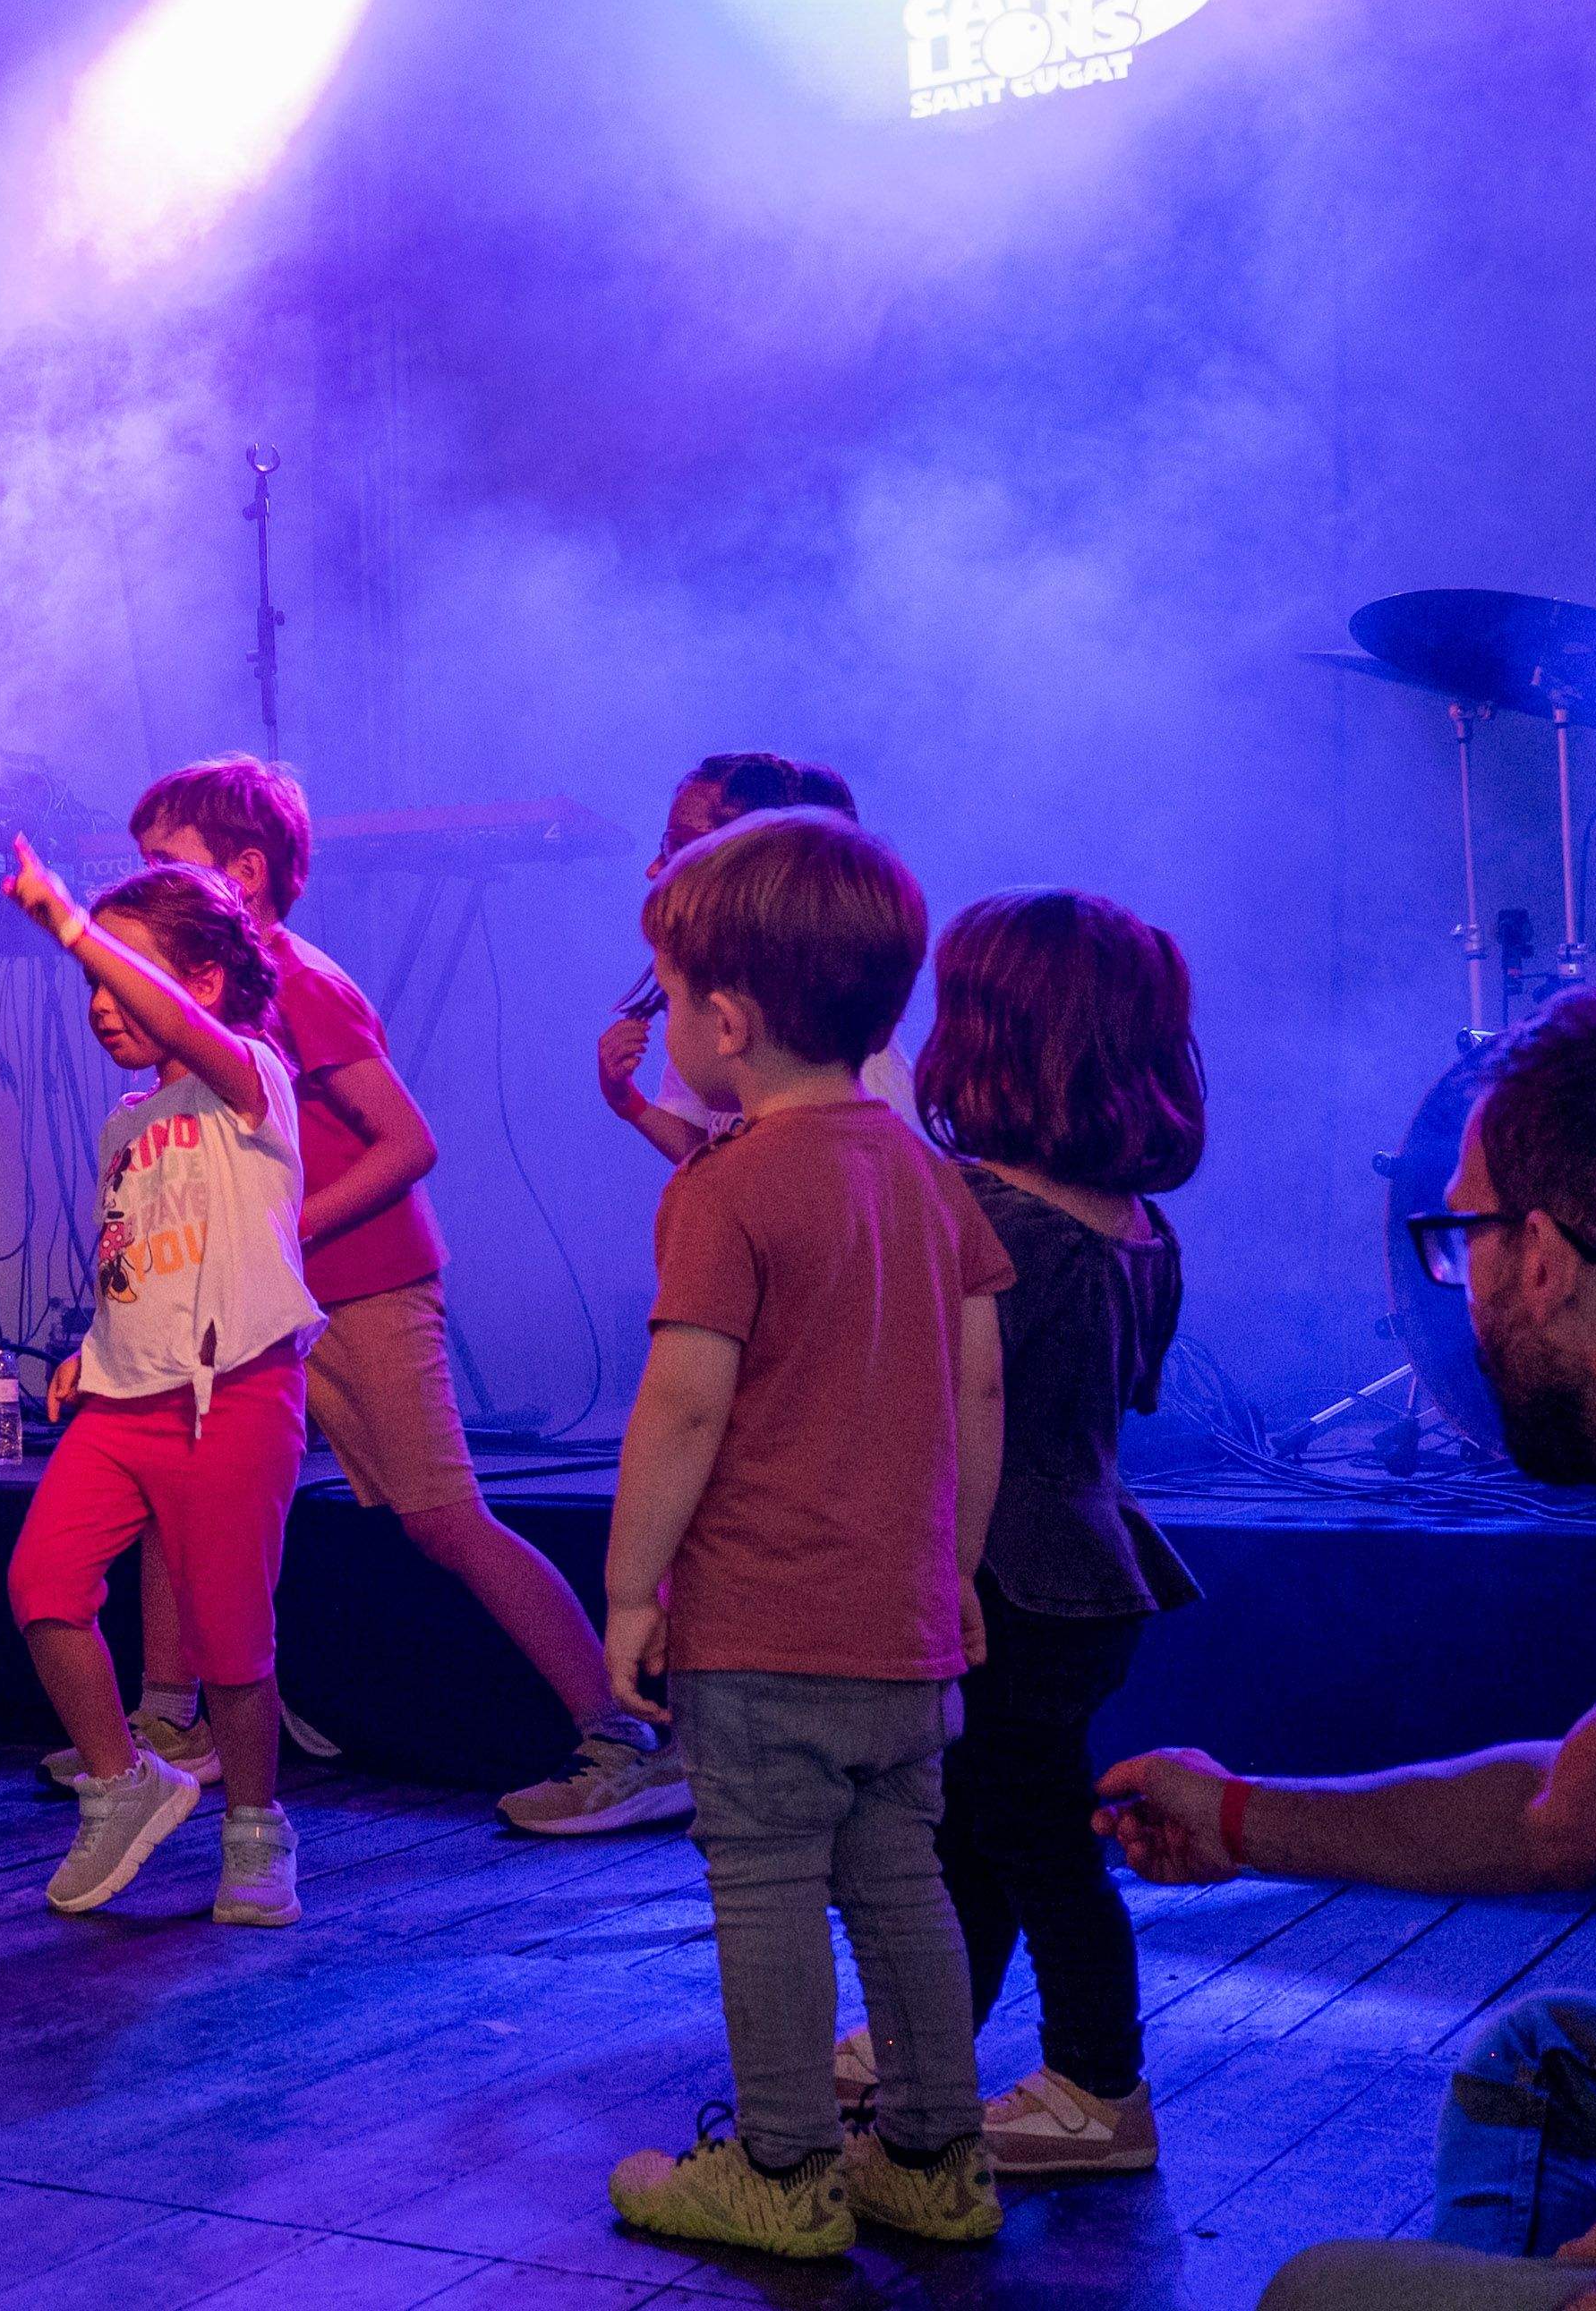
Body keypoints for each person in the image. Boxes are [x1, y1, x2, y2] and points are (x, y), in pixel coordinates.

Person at [1099, 978, 1596, 2311]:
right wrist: (1236, 1819)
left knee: (1324, 2292)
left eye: (1458, 1239)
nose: (1455, 1289)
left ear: (1543, 1260)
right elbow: (1560, 1810)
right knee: (1551, 2058)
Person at [90, 756, 680, 1838]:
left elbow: (408, 1142)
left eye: (165, 861)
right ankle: (172, 1726)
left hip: (363, 1285)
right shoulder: (197, 998)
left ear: (244, 873)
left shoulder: (298, 982)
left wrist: (281, 1227)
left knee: (443, 1518)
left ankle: (623, 1739)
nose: (142, 882)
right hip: (261, 1297)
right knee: (182, 1487)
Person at [599, 809, 1015, 2258]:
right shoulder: (928, 1176)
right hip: (901, 1626)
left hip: (762, 1629)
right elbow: (978, 1388)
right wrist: (955, 1570)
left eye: (669, 995)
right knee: (902, 1883)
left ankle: (782, 2169)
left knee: (766, 1884)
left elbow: (682, 1409)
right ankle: (936, 2159)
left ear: (725, 1020)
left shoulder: (725, 1189)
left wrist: (630, 1589)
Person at [851, 890, 1207, 2183]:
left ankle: (1097, 2086)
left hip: (1005, 1578)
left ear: (993, 1036)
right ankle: (924, 2041)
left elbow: (929, 1400)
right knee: (984, 1830)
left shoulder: (982, 1215)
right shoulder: (1140, 1227)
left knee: (1032, 1840)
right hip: (1090, 1571)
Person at [0, 848, 322, 1927]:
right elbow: (134, 1259)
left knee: (230, 1641)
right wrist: (92, 1347)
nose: (99, 1001)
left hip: (235, 1397)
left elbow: (184, 1028)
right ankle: (123, 1780)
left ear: (206, 983)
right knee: (43, 1584)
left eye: (118, 974)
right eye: (89, 980)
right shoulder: (124, 1124)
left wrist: (71, 925)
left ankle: (256, 1826)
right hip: (121, 1404)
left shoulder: (253, 1081)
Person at [599, 752, 917, 1164]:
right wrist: (628, 1101)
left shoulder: (836, 1034)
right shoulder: (706, 1000)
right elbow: (714, 1149)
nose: (655, 868)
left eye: (678, 846)